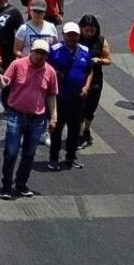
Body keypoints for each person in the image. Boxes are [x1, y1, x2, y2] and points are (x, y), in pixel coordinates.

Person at [0, 40, 58, 199]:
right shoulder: (17, 64)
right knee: (11, 152)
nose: (39, 56)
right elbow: (5, 82)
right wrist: (1, 81)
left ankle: (21, 183)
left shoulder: (50, 72)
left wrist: (54, 117)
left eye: (43, 54)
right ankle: (6, 185)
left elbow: (51, 95)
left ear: (47, 56)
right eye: (37, 52)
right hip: (16, 114)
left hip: (37, 118)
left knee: (29, 153)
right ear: (31, 51)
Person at [46, 22, 93, 171]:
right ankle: (53, 158)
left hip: (77, 98)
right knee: (56, 130)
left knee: (74, 129)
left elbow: (90, 71)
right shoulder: (54, 50)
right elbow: (46, 69)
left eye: (75, 35)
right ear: (63, 35)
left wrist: (86, 87)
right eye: (70, 35)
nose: (73, 37)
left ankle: (71, 157)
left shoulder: (85, 50)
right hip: (59, 98)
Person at [77, 15, 111, 150]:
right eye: (86, 30)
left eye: (92, 31)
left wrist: (100, 60)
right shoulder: (76, 39)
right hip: (79, 77)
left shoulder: (100, 41)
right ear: (81, 29)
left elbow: (108, 59)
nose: (89, 33)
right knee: (80, 107)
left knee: (91, 107)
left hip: (96, 78)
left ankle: (86, 129)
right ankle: (79, 133)